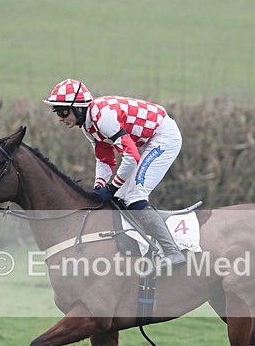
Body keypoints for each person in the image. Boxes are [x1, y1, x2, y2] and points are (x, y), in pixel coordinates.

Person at [44, 79, 186, 268]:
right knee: (119, 198)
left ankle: (172, 252)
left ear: (78, 108)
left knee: (135, 197)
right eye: (56, 111)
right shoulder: (88, 125)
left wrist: (111, 187)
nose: (60, 118)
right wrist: (99, 187)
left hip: (163, 137)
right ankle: (140, 249)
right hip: (145, 142)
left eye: (63, 111)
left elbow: (131, 157)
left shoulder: (103, 119)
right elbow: (105, 159)